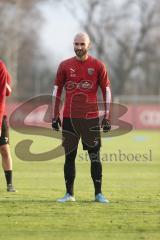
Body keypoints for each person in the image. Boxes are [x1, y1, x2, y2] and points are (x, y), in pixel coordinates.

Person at [52, 32, 111, 203]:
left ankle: (98, 194)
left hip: (90, 119)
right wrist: (54, 115)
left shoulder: (98, 66)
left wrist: (107, 117)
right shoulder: (64, 66)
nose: (79, 47)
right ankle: (69, 194)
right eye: (76, 44)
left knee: (95, 156)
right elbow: (57, 91)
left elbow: (106, 91)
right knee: (69, 156)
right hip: (70, 118)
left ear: (88, 45)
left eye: (82, 44)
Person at [0, 60, 16, 192]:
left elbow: (6, 92)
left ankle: (9, 185)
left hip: (1, 116)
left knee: (4, 149)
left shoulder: (1, 67)